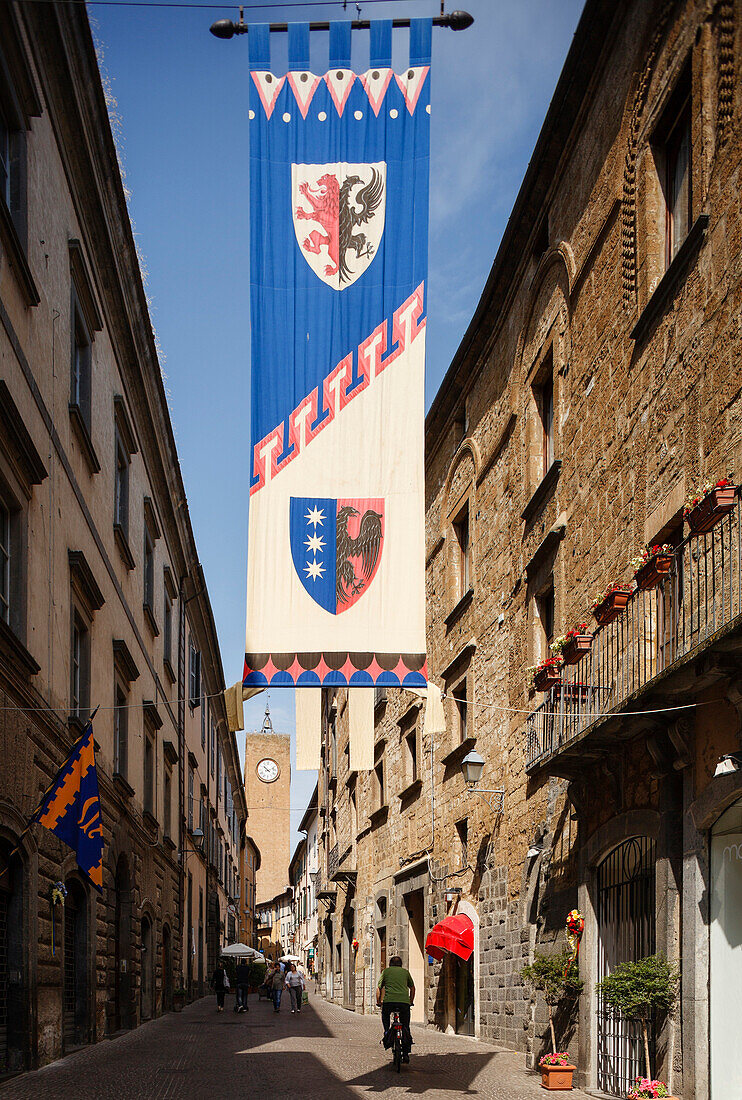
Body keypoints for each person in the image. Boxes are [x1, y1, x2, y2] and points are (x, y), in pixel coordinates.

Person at [376, 955, 414, 1062]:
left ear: (390, 964)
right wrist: (411, 1001)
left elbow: (379, 988)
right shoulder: (405, 972)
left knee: (385, 1014)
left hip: (389, 1002)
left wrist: (378, 1001)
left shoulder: (386, 972)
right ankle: (406, 1052)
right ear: (400, 965)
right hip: (404, 1003)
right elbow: (412, 988)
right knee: (406, 1025)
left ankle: (387, 1031)